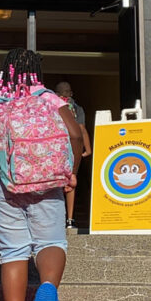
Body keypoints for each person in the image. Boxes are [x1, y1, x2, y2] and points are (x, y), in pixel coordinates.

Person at [0, 49, 83, 301]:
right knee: (51, 242)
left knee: (13, 252)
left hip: (1, 180)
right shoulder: (50, 99)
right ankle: (47, 288)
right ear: (37, 73)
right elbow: (74, 135)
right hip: (47, 180)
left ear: (4, 71)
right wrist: (69, 172)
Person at [55, 81, 92, 228]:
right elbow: (81, 130)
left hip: (56, 150)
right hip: (73, 150)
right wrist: (87, 149)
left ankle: (56, 218)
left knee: (55, 183)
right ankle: (70, 219)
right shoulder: (76, 108)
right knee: (71, 183)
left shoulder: (52, 106)